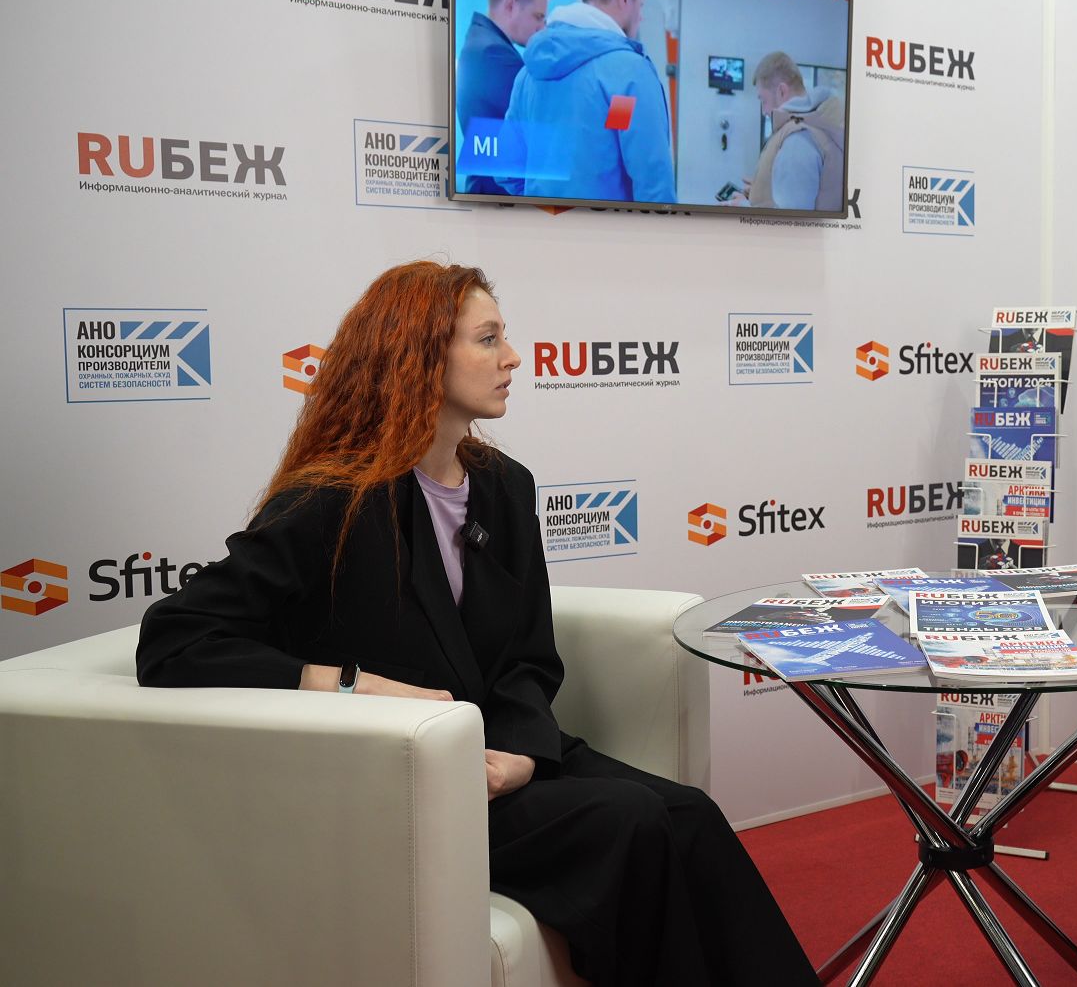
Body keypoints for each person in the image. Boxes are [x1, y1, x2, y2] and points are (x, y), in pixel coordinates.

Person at [136, 261, 816, 987]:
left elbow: (529, 657)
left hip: (500, 758)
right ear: (420, 356)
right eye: (488, 339)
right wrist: (347, 684)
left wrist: (523, 752)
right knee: (632, 821)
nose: (513, 358)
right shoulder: (330, 499)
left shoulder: (504, 486)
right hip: (402, 782)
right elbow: (175, 638)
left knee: (688, 813)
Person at [503, 0, 673, 204]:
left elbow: (507, 169)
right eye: (641, 5)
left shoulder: (527, 75)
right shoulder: (629, 75)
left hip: (539, 226)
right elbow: (652, 183)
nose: (641, 17)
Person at [456, 0, 552, 195]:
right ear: (510, 5)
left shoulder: (481, 41)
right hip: (498, 196)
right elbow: (540, 122)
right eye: (538, 17)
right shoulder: (494, 54)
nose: (542, 28)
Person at [731, 51, 844, 211]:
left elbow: (791, 220)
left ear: (782, 91)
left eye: (763, 100)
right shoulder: (818, 122)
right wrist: (762, 190)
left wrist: (743, 207)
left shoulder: (797, 140)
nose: (764, 111)